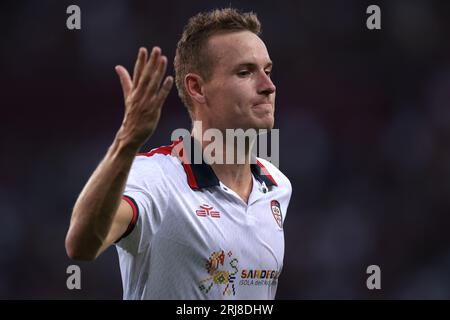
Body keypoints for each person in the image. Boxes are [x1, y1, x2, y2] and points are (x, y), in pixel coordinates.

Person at [65, 8, 292, 299]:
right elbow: (82, 244)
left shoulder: (278, 186)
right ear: (197, 88)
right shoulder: (155, 178)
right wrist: (126, 141)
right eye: (245, 72)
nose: (268, 86)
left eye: (268, 71)